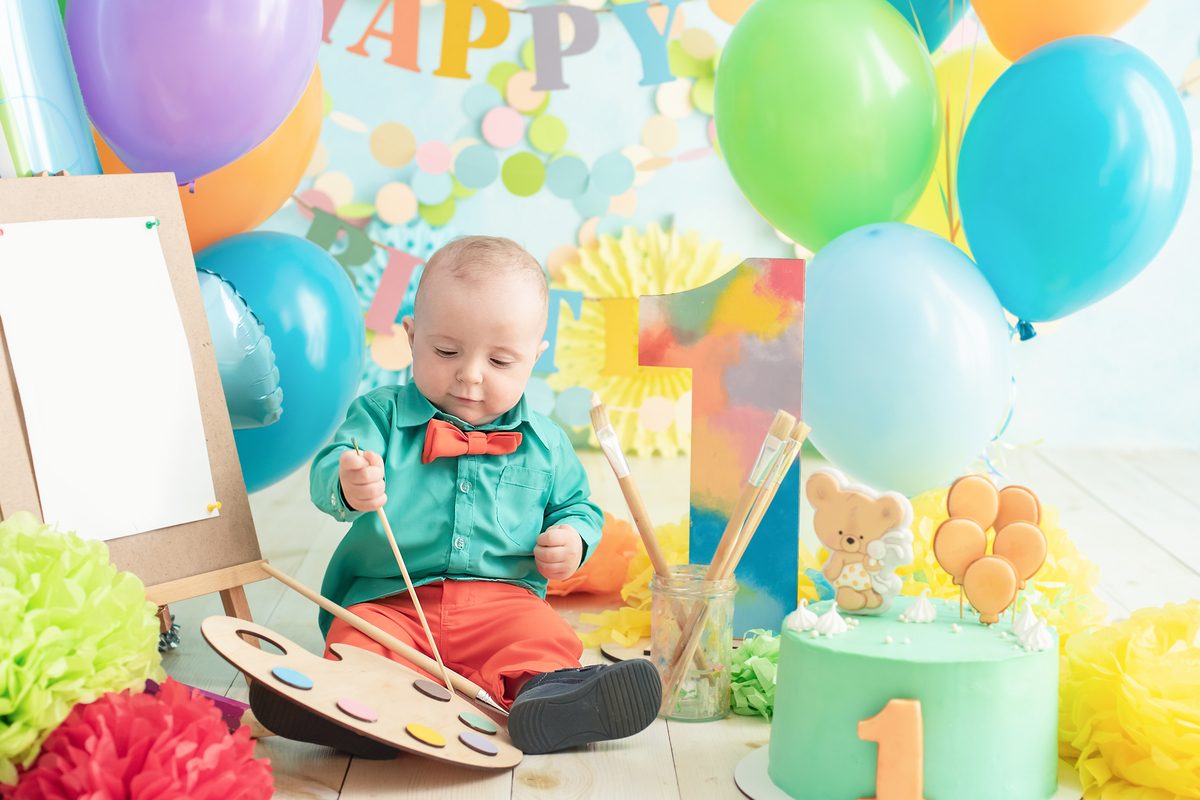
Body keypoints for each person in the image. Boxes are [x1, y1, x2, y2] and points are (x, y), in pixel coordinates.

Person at [253, 236, 660, 756]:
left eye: (500, 360)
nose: (470, 374)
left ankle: (554, 700)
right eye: (447, 351)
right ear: (412, 336)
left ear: (534, 359)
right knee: (361, 641)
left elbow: (578, 507)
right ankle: (352, 707)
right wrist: (349, 482)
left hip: (503, 603)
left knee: (542, 639)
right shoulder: (379, 416)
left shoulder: (547, 442)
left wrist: (572, 538)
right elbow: (331, 467)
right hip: (391, 599)